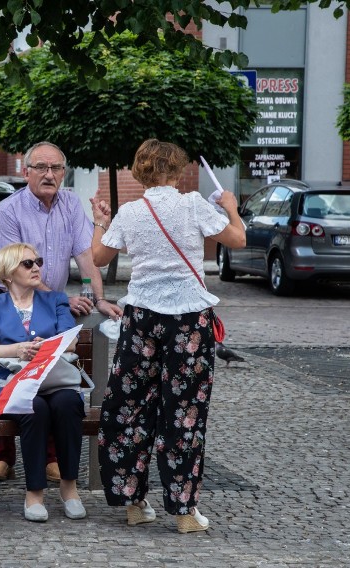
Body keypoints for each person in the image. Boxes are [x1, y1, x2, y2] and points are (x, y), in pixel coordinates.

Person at [91, 140, 246, 533]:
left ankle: (132, 502)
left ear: (140, 171)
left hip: (141, 317)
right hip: (188, 321)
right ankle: (183, 511)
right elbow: (237, 239)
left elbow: (98, 258)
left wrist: (100, 221)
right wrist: (229, 204)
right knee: (184, 412)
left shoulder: (130, 211)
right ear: (177, 171)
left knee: (129, 408)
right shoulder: (194, 204)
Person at [0, 140, 123, 483]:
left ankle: (49, 458)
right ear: (27, 172)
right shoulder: (7, 211)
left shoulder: (72, 205)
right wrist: (59, 299)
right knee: (6, 369)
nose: (49, 175)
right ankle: (2, 458)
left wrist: (99, 298)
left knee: (49, 371)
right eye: (41, 168)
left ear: (64, 173)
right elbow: (16, 268)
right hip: (8, 295)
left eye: (56, 168)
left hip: (51, 300)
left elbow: (87, 257)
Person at [0, 243, 87, 522]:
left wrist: (46, 345)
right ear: (8, 274)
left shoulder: (56, 300)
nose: (36, 267)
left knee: (69, 402)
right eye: (27, 264)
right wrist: (19, 349)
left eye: (37, 261)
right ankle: (34, 494)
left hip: (54, 380)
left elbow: (71, 341)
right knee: (34, 408)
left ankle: (69, 488)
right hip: (11, 384)